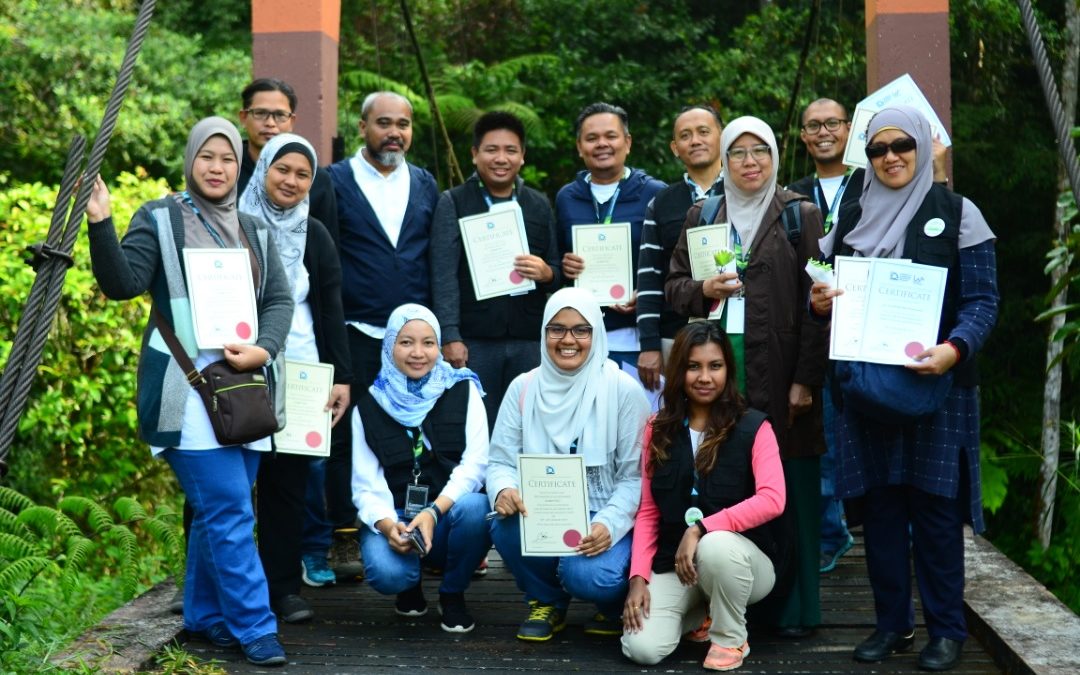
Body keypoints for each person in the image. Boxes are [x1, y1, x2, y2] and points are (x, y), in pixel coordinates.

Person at [85, 117, 293, 666]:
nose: (217, 167)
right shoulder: (159, 217)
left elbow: (279, 302)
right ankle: (256, 626)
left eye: (227, 158)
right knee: (228, 510)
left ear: (240, 165)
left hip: (245, 387)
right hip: (185, 390)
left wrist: (264, 350)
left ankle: (205, 616)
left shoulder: (257, 228)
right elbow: (122, 284)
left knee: (217, 511)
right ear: (191, 160)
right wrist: (101, 223)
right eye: (207, 156)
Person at [811, 105, 998, 671]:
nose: (891, 157)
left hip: (937, 388)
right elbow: (826, 296)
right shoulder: (852, 214)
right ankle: (893, 625)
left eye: (902, 146)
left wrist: (954, 349)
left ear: (921, 147)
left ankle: (946, 629)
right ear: (865, 157)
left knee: (936, 514)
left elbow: (984, 302)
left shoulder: (958, 213)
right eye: (877, 149)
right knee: (883, 511)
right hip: (865, 389)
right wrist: (821, 304)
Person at [666, 115, 828, 638]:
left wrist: (806, 377)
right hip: (715, 368)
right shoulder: (703, 212)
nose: (750, 161)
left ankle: (794, 609)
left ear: (776, 157)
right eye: (739, 152)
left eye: (760, 151)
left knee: (789, 487)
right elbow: (673, 286)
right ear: (725, 160)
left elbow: (818, 304)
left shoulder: (800, 215)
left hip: (781, 374)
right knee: (722, 481)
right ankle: (724, 604)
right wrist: (704, 289)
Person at [487, 288, 651, 641]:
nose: (568, 340)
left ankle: (610, 605)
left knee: (589, 575)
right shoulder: (524, 388)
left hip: (603, 515)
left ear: (597, 334)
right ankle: (547, 601)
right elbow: (500, 459)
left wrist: (608, 523)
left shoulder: (624, 391)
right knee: (504, 525)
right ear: (544, 332)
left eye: (581, 329)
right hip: (543, 514)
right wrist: (504, 489)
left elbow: (634, 476)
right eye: (556, 329)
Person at [621, 322, 786, 671]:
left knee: (715, 546)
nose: (704, 377)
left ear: (728, 369)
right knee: (642, 648)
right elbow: (649, 510)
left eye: (715, 366)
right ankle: (699, 615)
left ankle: (729, 638)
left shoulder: (755, 426)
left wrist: (701, 529)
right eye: (693, 366)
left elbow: (773, 499)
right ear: (678, 370)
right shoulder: (657, 427)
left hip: (742, 563)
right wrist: (639, 578)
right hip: (677, 566)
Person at [237, 132, 352, 623]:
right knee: (229, 482)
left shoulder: (315, 234)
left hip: (300, 371)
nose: (291, 180)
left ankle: (281, 588)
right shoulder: (231, 226)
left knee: (288, 485)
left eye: (303, 174)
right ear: (262, 168)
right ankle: (211, 582)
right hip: (234, 367)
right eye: (282, 169)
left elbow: (330, 308)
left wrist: (341, 377)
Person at [325, 91, 440, 577]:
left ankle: (421, 531)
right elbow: (325, 260)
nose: (395, 132)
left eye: (404, 124)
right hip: (356, 332)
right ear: (362, 127)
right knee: (344, 436)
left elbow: (436, 254)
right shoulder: (333, 182)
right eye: (384, 123)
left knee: (416, 432)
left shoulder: (426, 183)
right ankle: (341, 538)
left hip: (414, 342)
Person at [351, 304, 491, 632]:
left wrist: (432, 512)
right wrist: (388, 526)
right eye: (406, 342)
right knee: (387, 574)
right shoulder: (369, 405)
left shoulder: (463, 388)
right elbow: (365, 485)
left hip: (445, 515)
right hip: (398, 517)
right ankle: (407, 585)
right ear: (389, 346)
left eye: (428, 343)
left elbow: (476, 464)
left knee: (477, 507)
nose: (418, 353)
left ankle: (452, 593)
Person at [430, 111, 562, 427]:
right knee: (476, 427)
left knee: (528, 424)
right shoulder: (454, 202)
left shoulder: (538, 203)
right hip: (475, 341)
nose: (501, 158)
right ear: (475, 155)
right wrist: (450, 335)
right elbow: (443, 274)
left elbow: (556, 268)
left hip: (528, 340)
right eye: (491, 150)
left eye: (510, 150)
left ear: (522, 157)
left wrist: (547, 273)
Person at [556, 102, 665, 369]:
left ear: (627, 142)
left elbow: (672, 263)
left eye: (611, 136)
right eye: (592, 138)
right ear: (580, 147)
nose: (601, 144)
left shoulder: (656, 193)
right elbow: (556, 264)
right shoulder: (566, 197)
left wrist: (648, 294)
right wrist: (564, 266)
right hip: (582, 339)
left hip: (638, 340)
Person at [636, 105, 725, 391]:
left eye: (703, 132)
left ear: (722, 137)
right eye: (685, 136)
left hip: (734, 330)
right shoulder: (661, 202)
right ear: (675, 148)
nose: (695, 140)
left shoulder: (746, 191)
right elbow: (650, 278)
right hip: (675, 333)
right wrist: (648, 344)